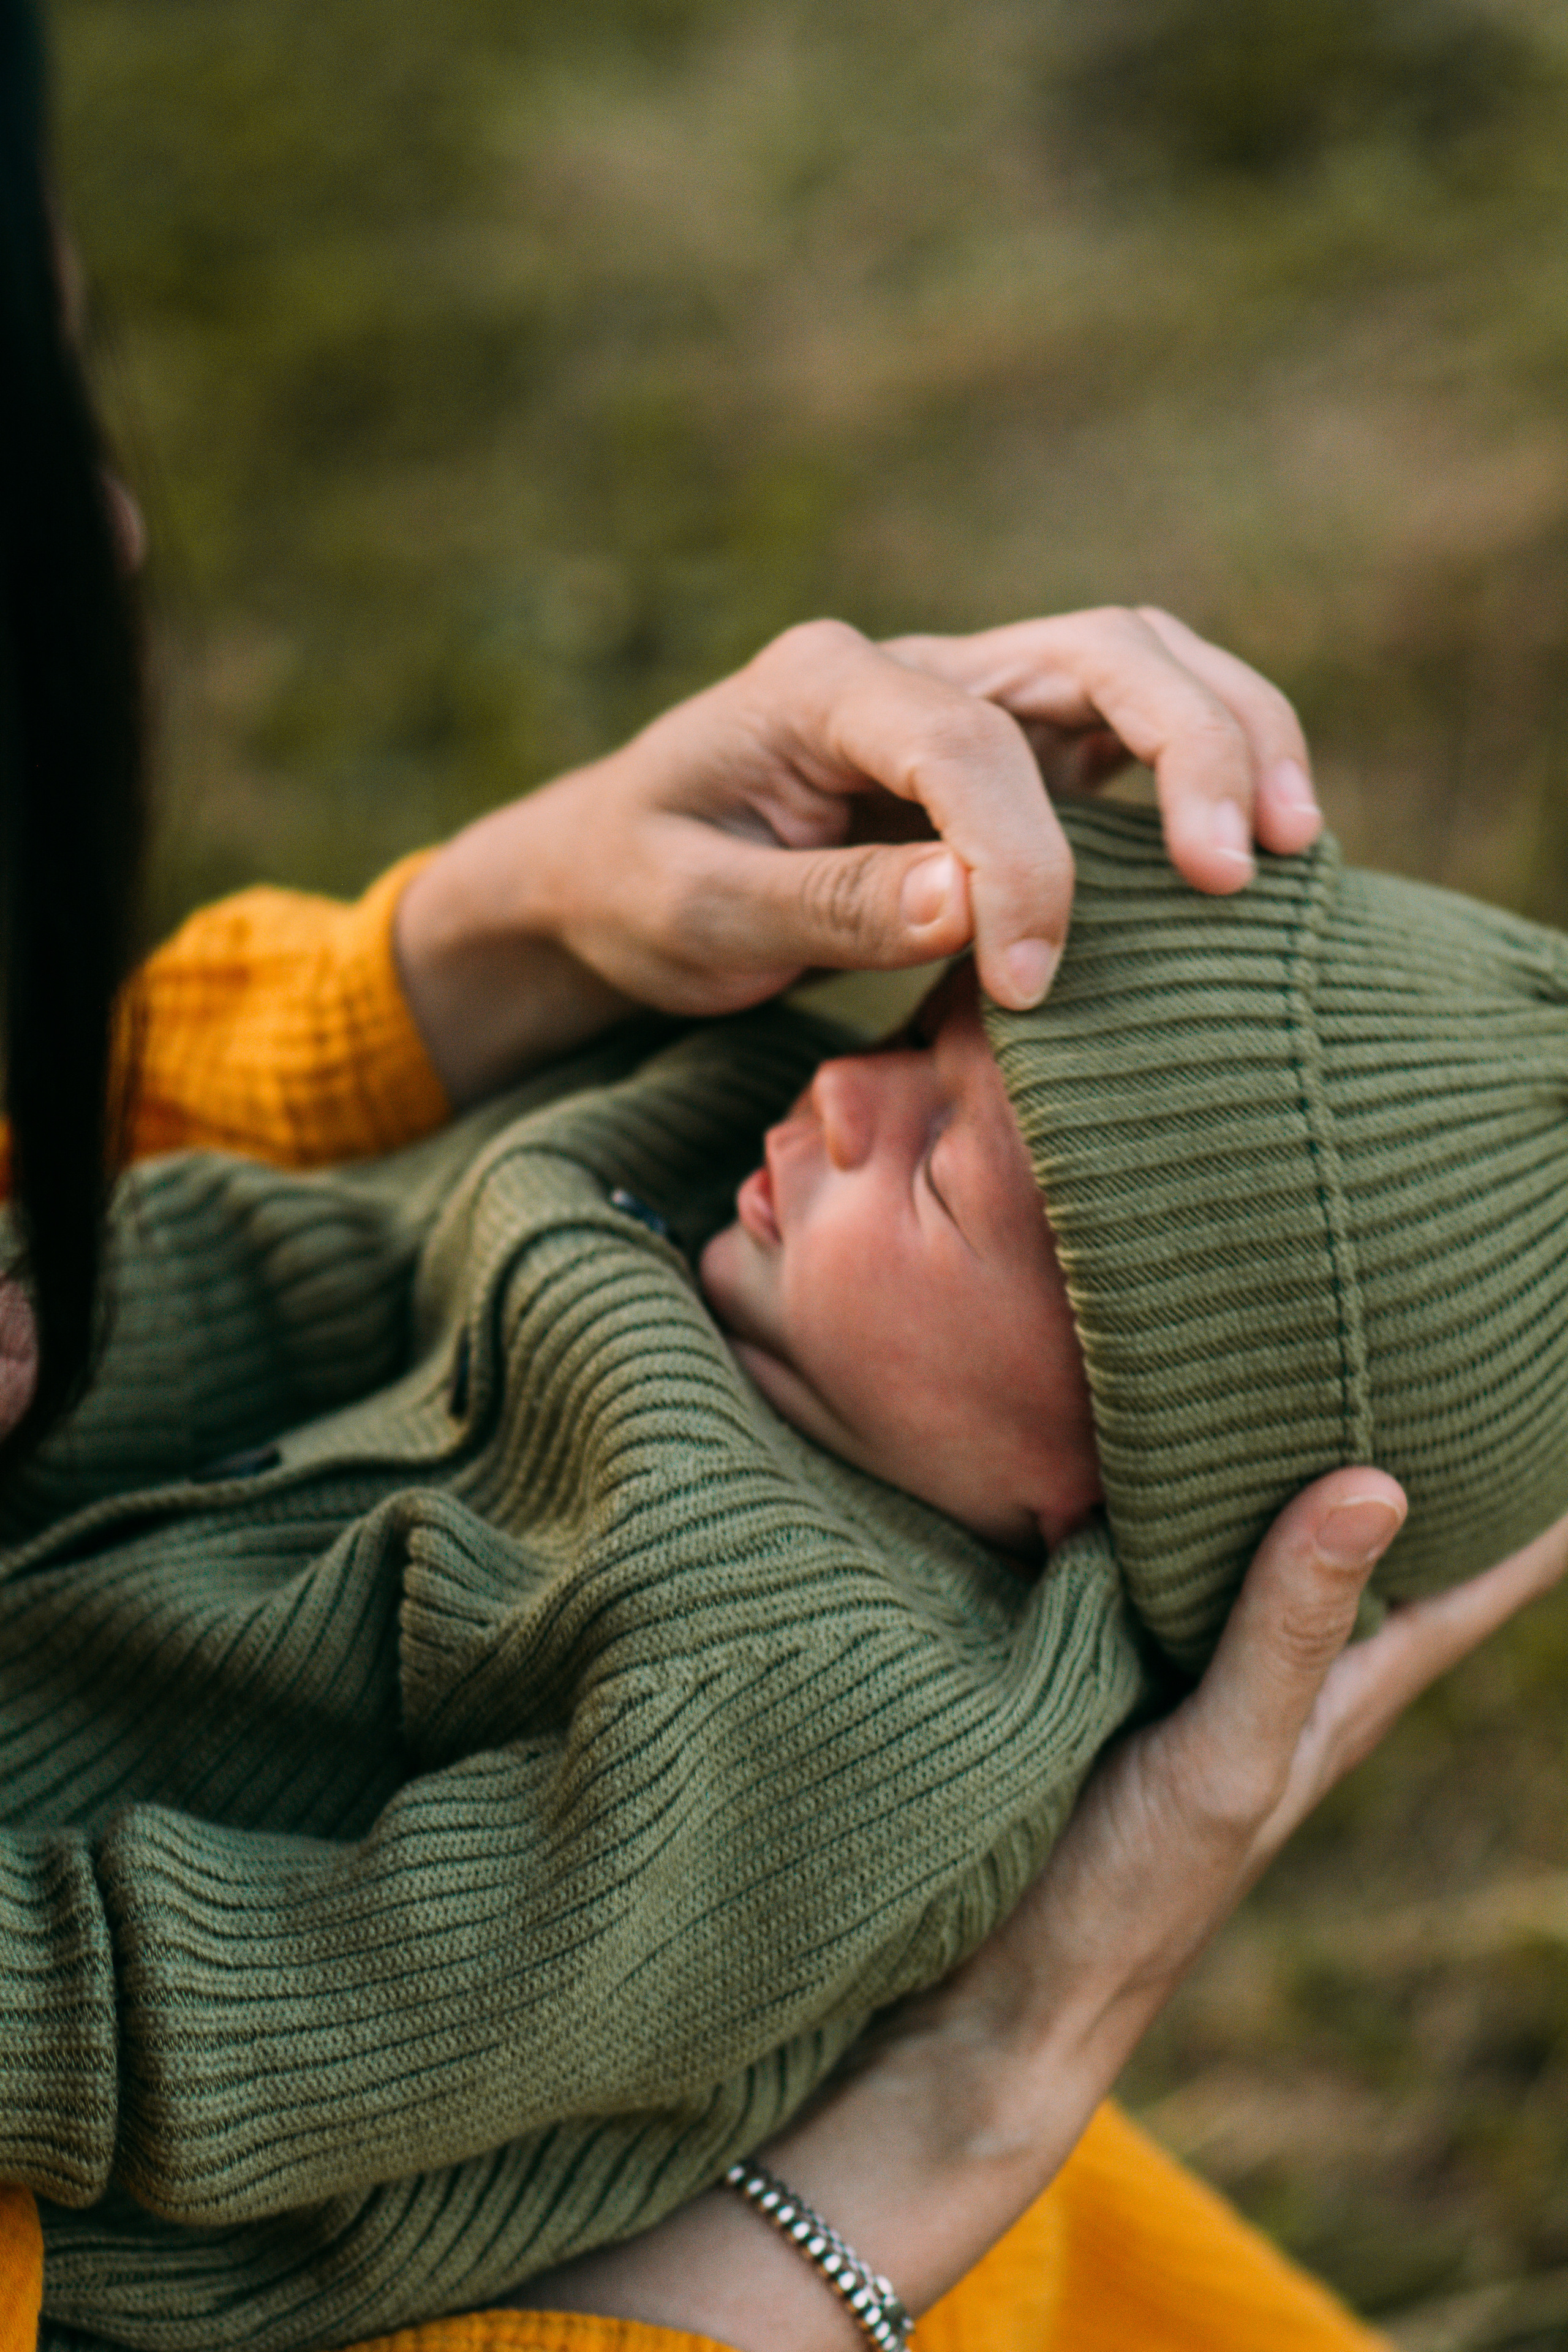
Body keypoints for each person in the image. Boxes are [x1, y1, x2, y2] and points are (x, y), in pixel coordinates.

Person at [3, 0, 1564, 2345]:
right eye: (930, 1042)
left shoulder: (826, 1713)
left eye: (949, 1177)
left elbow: (336, 2001)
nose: (848, 1099)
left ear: (1101, 1505)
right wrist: (61, 1301)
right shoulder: (705, 1185)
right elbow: (305, 1272)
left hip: (119, 2092)